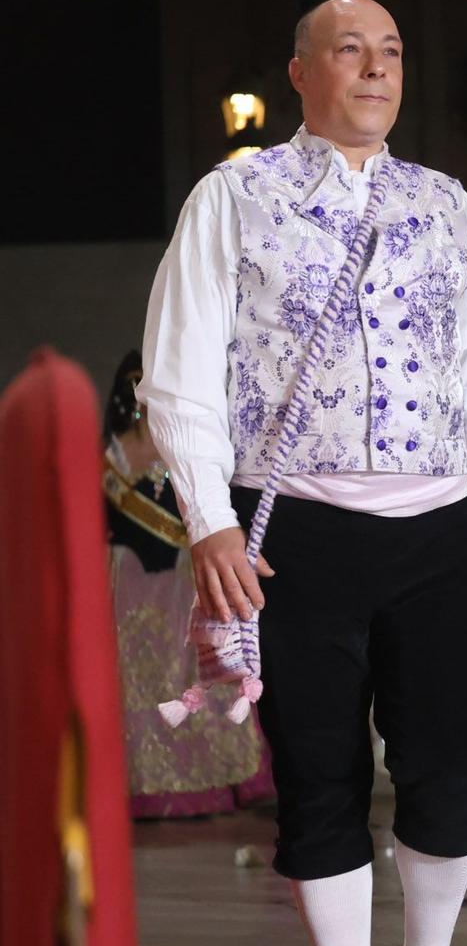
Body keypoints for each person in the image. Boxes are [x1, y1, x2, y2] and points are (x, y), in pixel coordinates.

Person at [139, 0, 467, 946]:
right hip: (294, 536)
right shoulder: (237, 198)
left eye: (392, 52)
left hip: (432, 529)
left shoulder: (447, 207)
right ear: (301, 74)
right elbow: (180, 371)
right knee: (318, 781)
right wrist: (210, 518)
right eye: (350, 50)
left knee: (451, 774)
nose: (375, 68)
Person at [103, 350, 275, 818]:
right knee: (132, 677)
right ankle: (139, 781)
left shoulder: (183, 448)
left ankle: (209, 780)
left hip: (181, 579)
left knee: (192, 668)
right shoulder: (111, 454)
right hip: (124, 585)